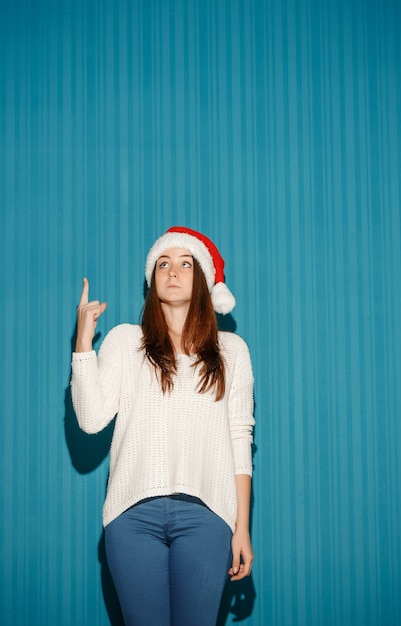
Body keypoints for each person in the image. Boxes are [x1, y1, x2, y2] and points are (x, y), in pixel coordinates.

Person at [71, 226, 255, 626]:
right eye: (163, 263)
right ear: (152, 279)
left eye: (185, 263)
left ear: (203, 278)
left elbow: (240, 438)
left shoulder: (232, 352)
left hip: (207, 515)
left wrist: (242, 528)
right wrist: (84, 343)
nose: (172, 271)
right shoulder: (124, 341)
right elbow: (89, 420)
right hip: (131, 516)